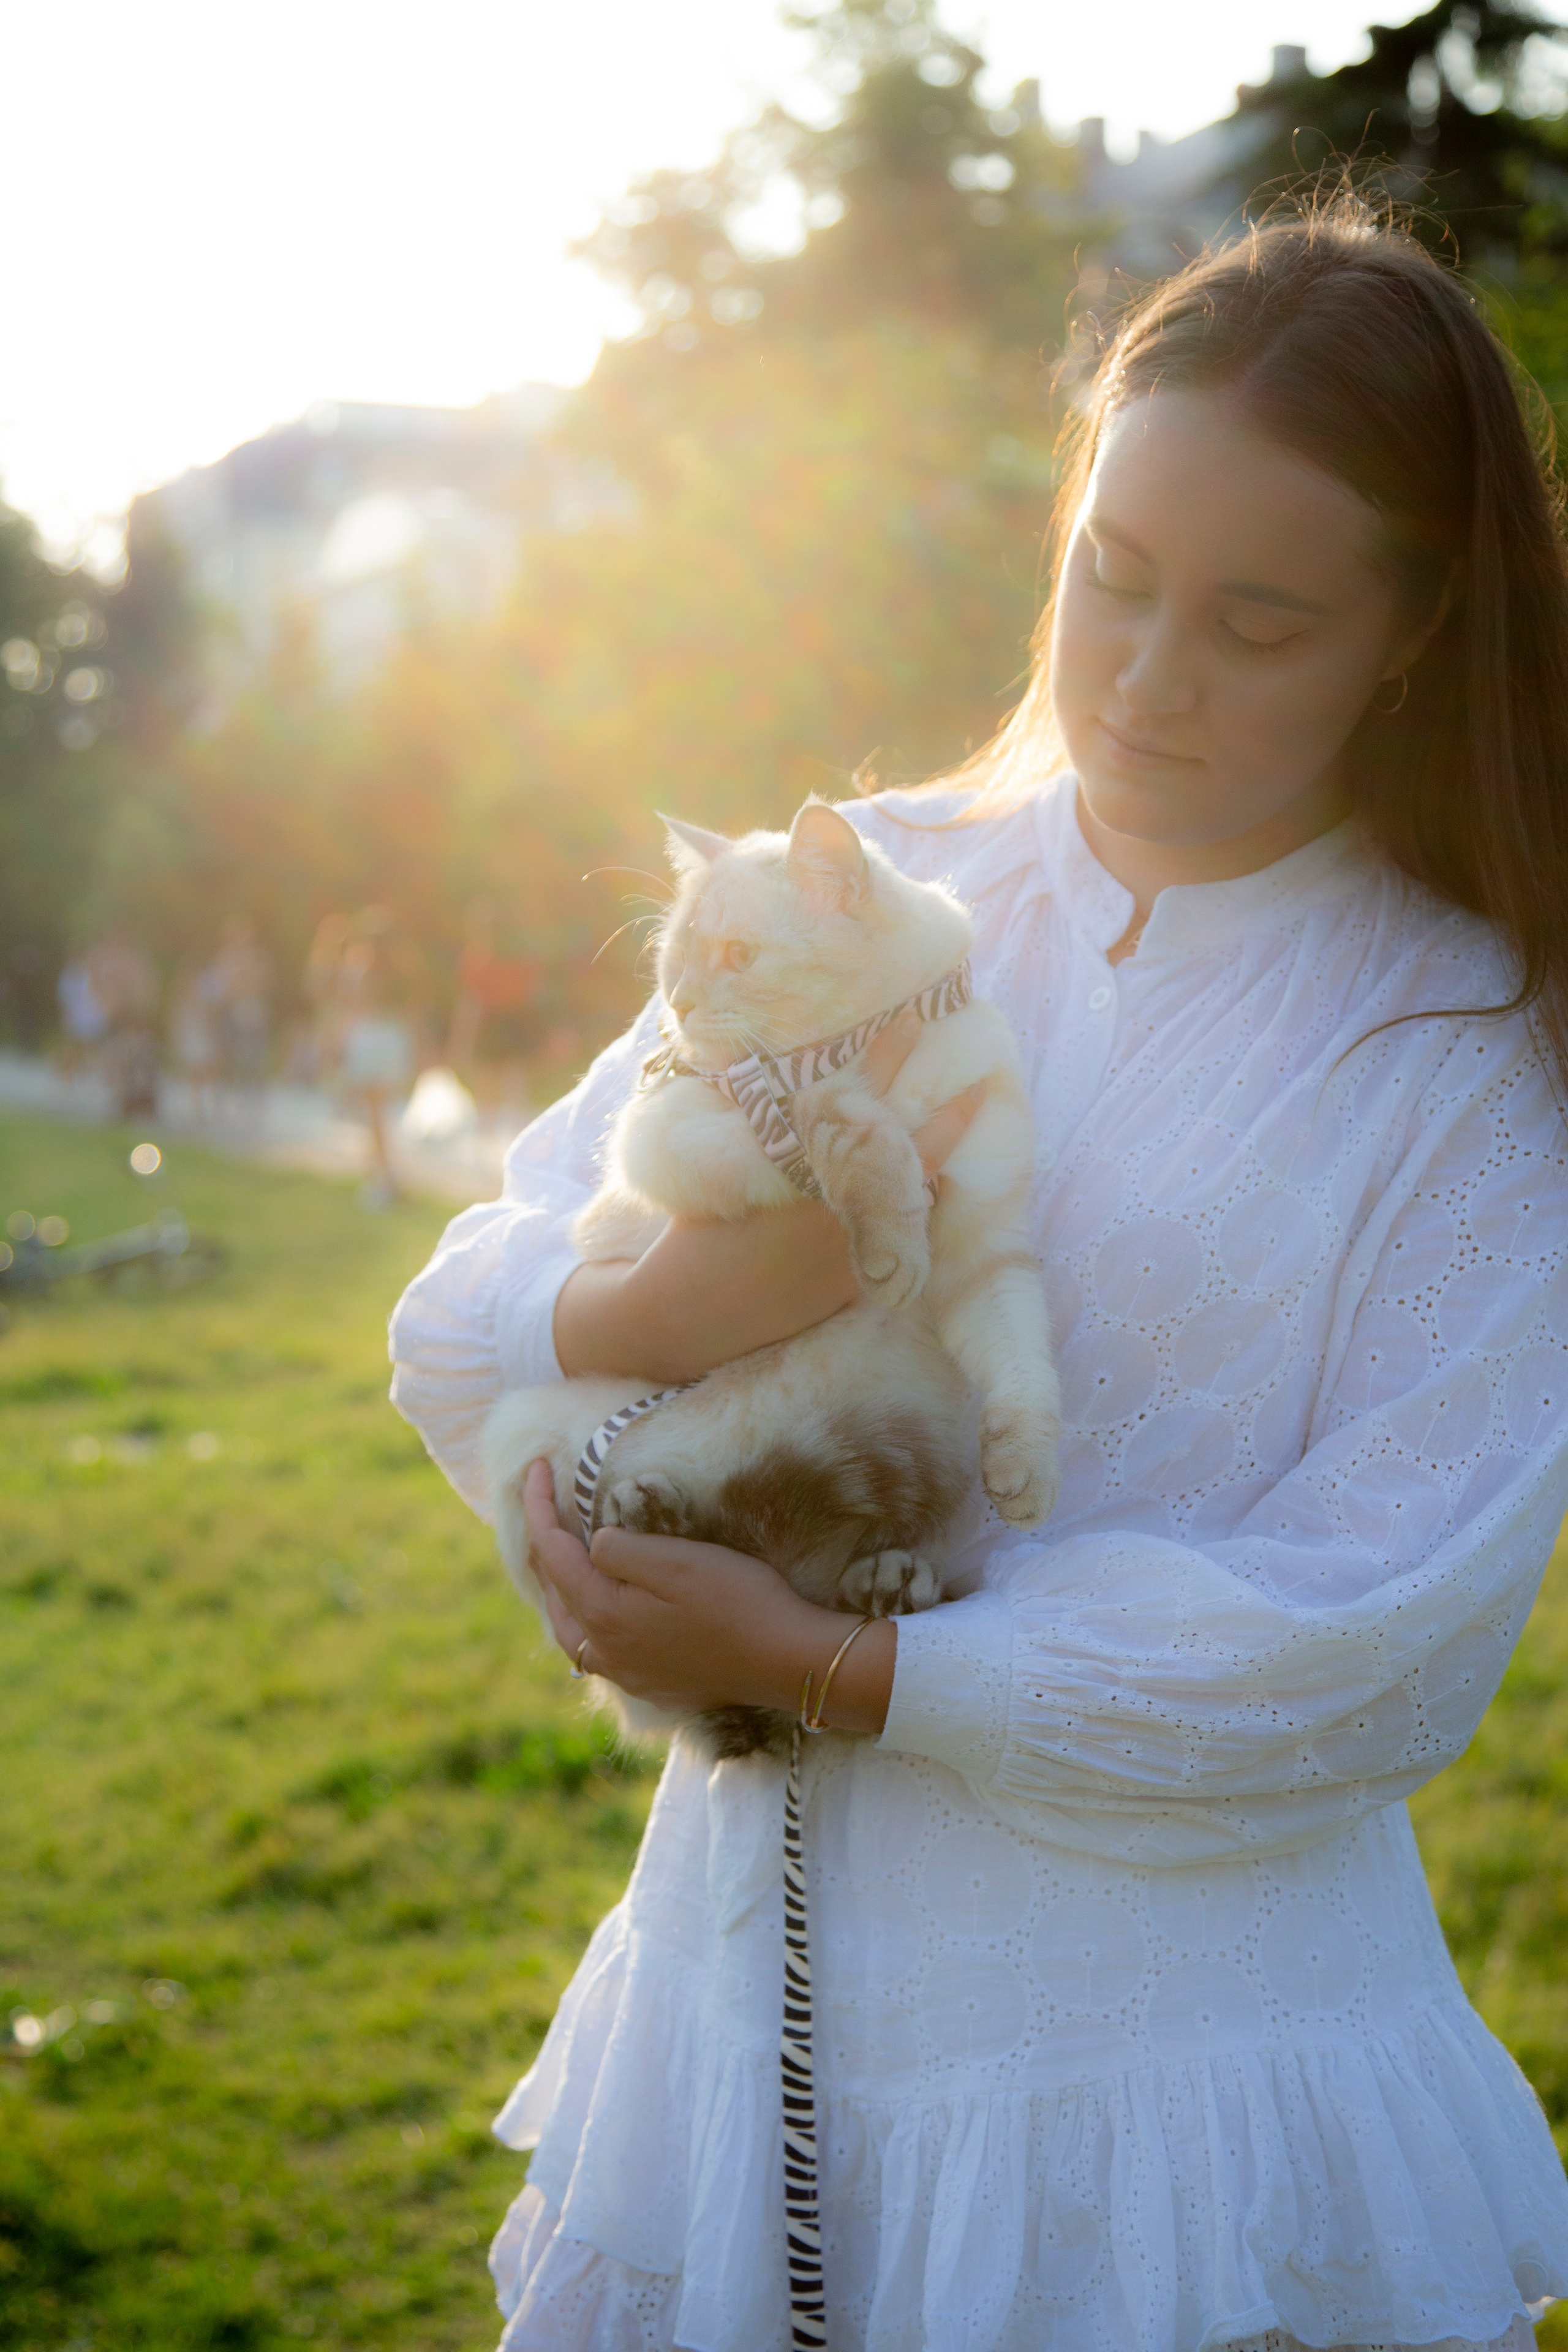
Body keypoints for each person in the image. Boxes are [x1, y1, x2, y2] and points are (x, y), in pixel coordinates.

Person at [390, 203, 1568, 2352]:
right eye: (1114, 574)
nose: (1145, 676)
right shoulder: (867, 893)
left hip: (1185, 2092)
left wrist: (843, 1665)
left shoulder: (1463, 1045)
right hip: (753, 2009)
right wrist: (654, 1322)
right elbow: (467, 1309)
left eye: (1258, 622)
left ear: (1412, 631)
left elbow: (1383, 1625)